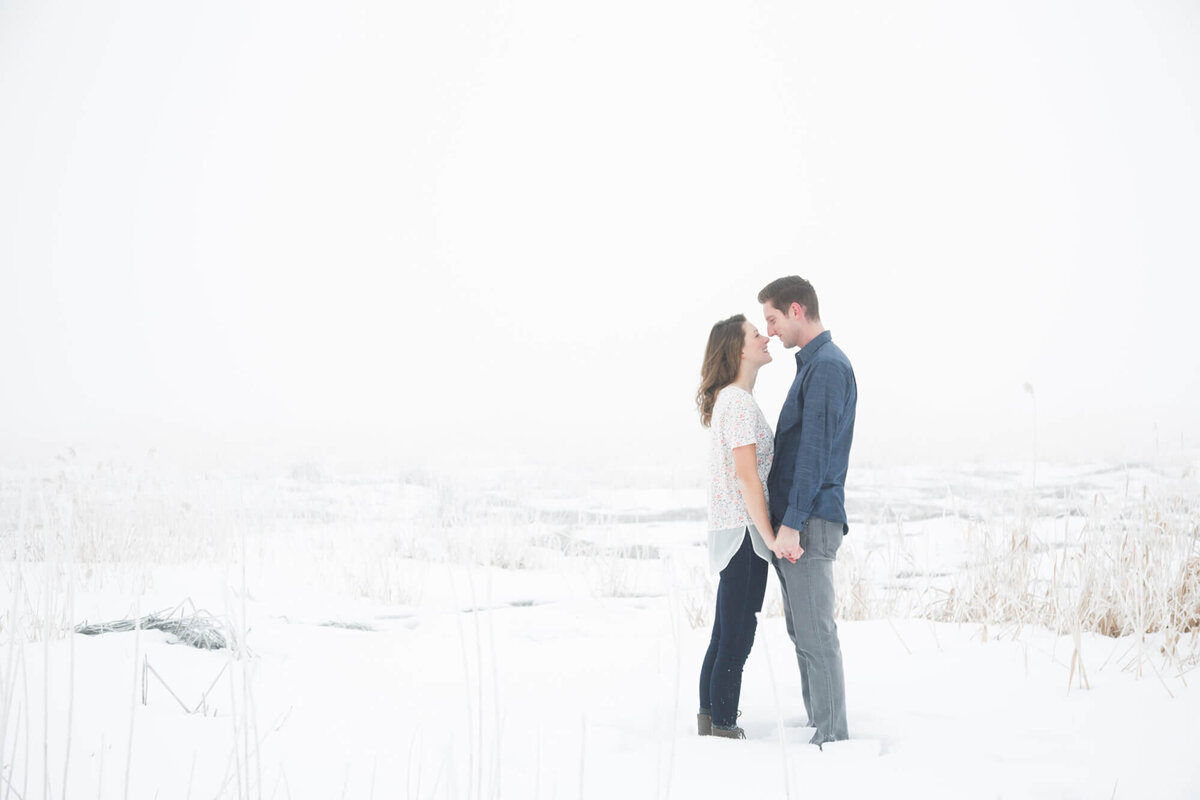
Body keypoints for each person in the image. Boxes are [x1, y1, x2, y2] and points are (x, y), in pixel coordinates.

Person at [758, 275, 857, 747]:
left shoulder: (827, 368)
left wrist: (792, 524)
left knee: (817, 635)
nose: (771, 331)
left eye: (773, 319)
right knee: (803, 634)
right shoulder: (812, 367)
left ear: (796, 310)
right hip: (799, 522)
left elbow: (814, 453)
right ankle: (821, 723)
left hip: (809, 522)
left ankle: (832, 739)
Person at [695, 313, 787, 739]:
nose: (766, 337)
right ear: (738, 350)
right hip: (745, 534)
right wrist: (769, 535)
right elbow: (747, 476)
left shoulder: (732, 401)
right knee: (736, 637)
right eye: (756, 334)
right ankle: (725, 732)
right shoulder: (738, 402)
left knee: (723, 634)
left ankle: (711, 722)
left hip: (734, 532)